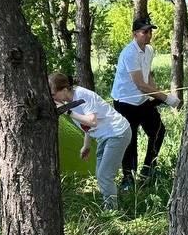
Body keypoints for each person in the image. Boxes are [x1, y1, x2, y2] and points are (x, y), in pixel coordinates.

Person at [110, 16, 179, 189]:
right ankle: (128, 179)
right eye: (144, 31)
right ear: (135, 34)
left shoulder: (149, 50)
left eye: (150, 31)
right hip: (125, 103)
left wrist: (155, 94)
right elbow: (140, 84)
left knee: (158, 131)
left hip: (142, 101)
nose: (149, 35)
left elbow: (148, 76)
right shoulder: (129, 53)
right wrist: (167, 98)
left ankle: (148, 171)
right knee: (129, 140)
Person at [49, 72, 133, 210]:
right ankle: (110, 204)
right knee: (101, 175)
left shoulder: (82, 95)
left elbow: (92, 121)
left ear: (64, 90)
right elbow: (86, 126)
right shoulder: (69, 102)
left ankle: (112, 211)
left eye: (53, 95)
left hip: (117, 133)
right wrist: (86, 145)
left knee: (104, 175)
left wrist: (67, 111)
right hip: (104, 136)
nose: (52, 98)